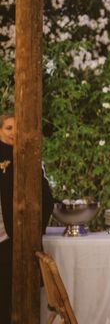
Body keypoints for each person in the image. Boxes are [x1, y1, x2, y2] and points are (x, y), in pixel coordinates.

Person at [0, 113, 54, 324]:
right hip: (3, 234)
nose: (14, 133)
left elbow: (46, 198)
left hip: (18, 236)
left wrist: (35, 228)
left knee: (19, 295)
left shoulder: (29, 156)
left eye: (17, 128)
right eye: (9, 128)